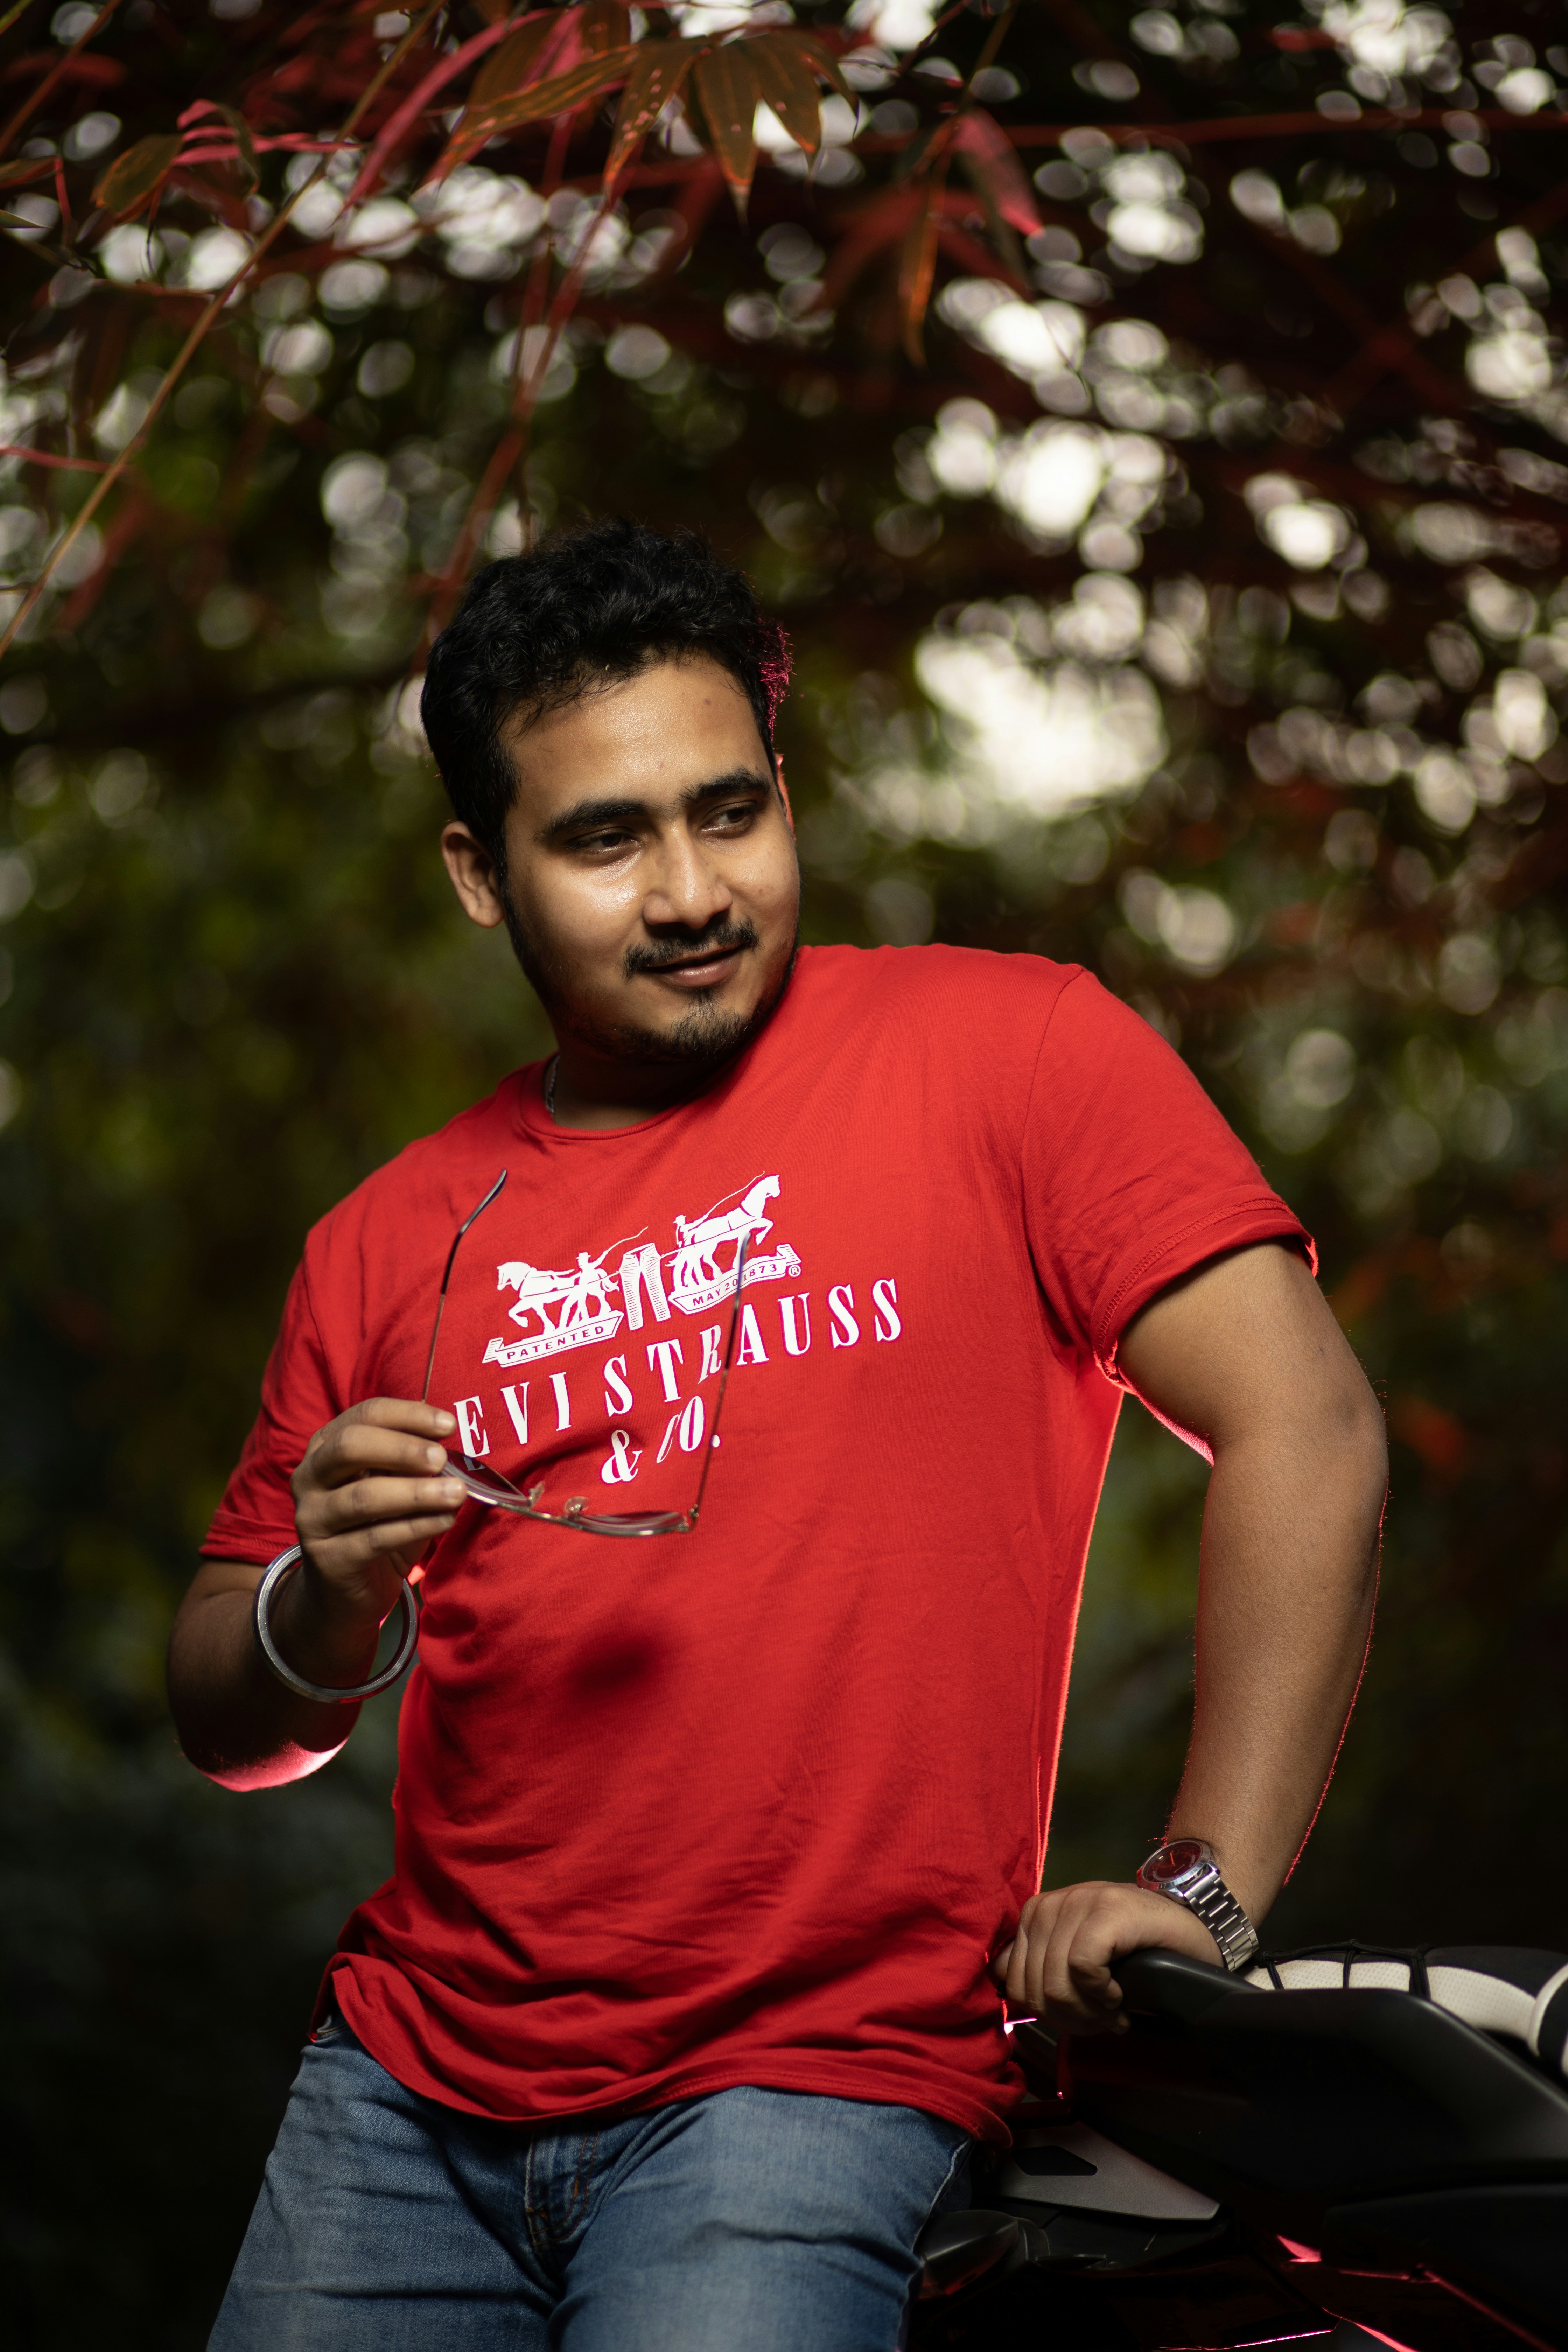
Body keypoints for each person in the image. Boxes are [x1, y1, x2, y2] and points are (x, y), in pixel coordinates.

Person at [168, 519, 1387, 2352]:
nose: (690, 889)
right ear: (478, 872)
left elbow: (1311, 1423)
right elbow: (229, 1716)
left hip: (813, 2089)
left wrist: (1202, 1890)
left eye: (729, 812)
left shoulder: (1013, 1057)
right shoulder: (390, 1234)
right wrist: (320, 1598)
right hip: (405, 2102)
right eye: (603, 837)